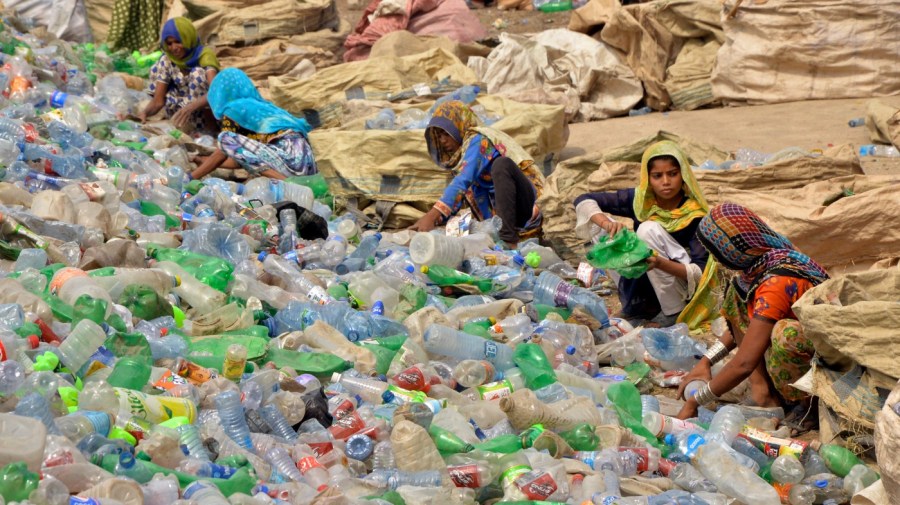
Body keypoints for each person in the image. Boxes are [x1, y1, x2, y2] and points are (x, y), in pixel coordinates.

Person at [676, 203, 829, 421]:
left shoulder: (777, 280)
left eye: (715, 251)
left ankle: (808, 404)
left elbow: (745, 362)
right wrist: (706, 361)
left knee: (786, 335)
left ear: (730, 249)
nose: (714, 258)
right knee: (736, 293)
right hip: (793, 348)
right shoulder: (760, 265)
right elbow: (746, 321)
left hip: (822, 356)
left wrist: (695, 401)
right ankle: (763, 393)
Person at [572, 140, 718, 328]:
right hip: (646, 272)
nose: (666, 182)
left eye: (672, 174)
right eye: (657, 176)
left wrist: (659, 263)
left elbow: (700, 272)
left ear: (683, 175)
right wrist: (607, 224)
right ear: (648, 178)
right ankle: (638, 304)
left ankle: (672, 312)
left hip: (677, 284)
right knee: (601, 228)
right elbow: (583, 200)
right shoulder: (641, 199)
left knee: (647, 229)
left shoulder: (695, 215)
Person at [409, 101, 544, 249]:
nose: (443, 141)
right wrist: (431, 222)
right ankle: (505, 238)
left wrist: (431, 215)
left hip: (526, 206)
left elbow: (463, 180)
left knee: (501, 165)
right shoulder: (460, 158)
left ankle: (509, 242)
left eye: (446, 134)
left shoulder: (478, 140)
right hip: (505, 218)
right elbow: (457, 198)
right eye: (439, 136)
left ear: (459, 125)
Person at [191, 68, 317, 181]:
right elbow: (241, 158)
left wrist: (190, 177)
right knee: (233, 145)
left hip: (290, 161)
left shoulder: (233, 109)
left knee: (225, 138)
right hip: (307, 164)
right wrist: (202, 160)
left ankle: (288, 183)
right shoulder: (262, 107)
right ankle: (289, 181)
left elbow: (223, 151)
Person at [139, 17, 219, 131]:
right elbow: (158, 101)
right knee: (156, 67)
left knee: (198, 74)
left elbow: (215, 91)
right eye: (169, 43)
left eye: (178, 41)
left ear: (188, 38)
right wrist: (144, 113)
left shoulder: (204, 55)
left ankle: (210, 128)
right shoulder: (168, 59)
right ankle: (183, 126)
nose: (174, 48)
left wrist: (191, 107)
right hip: (179, 115)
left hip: (202, 112)